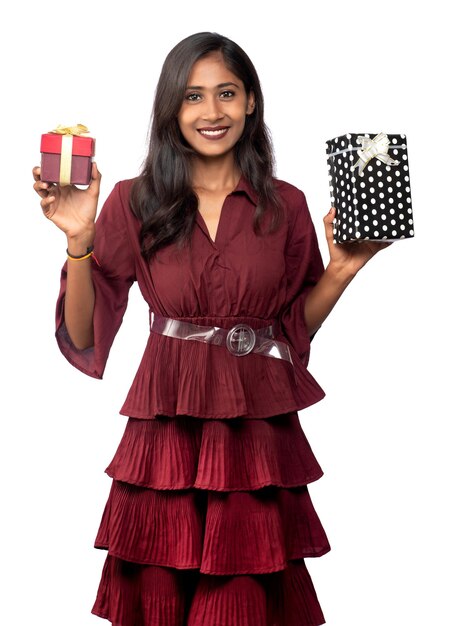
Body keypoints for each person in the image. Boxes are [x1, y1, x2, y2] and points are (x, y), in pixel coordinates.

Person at [32, 31, 390, 626]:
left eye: (227, 93)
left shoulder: (287, 204)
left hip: (255, 440)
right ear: (172, 108)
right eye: (194, 96)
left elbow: (288, 335)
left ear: (251, 101)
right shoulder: (131, 200)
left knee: (248, 600)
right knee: (157, 598)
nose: (212, 111)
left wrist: (343, 270)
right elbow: (88, 329)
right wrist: (78, 241)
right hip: (165, 432)